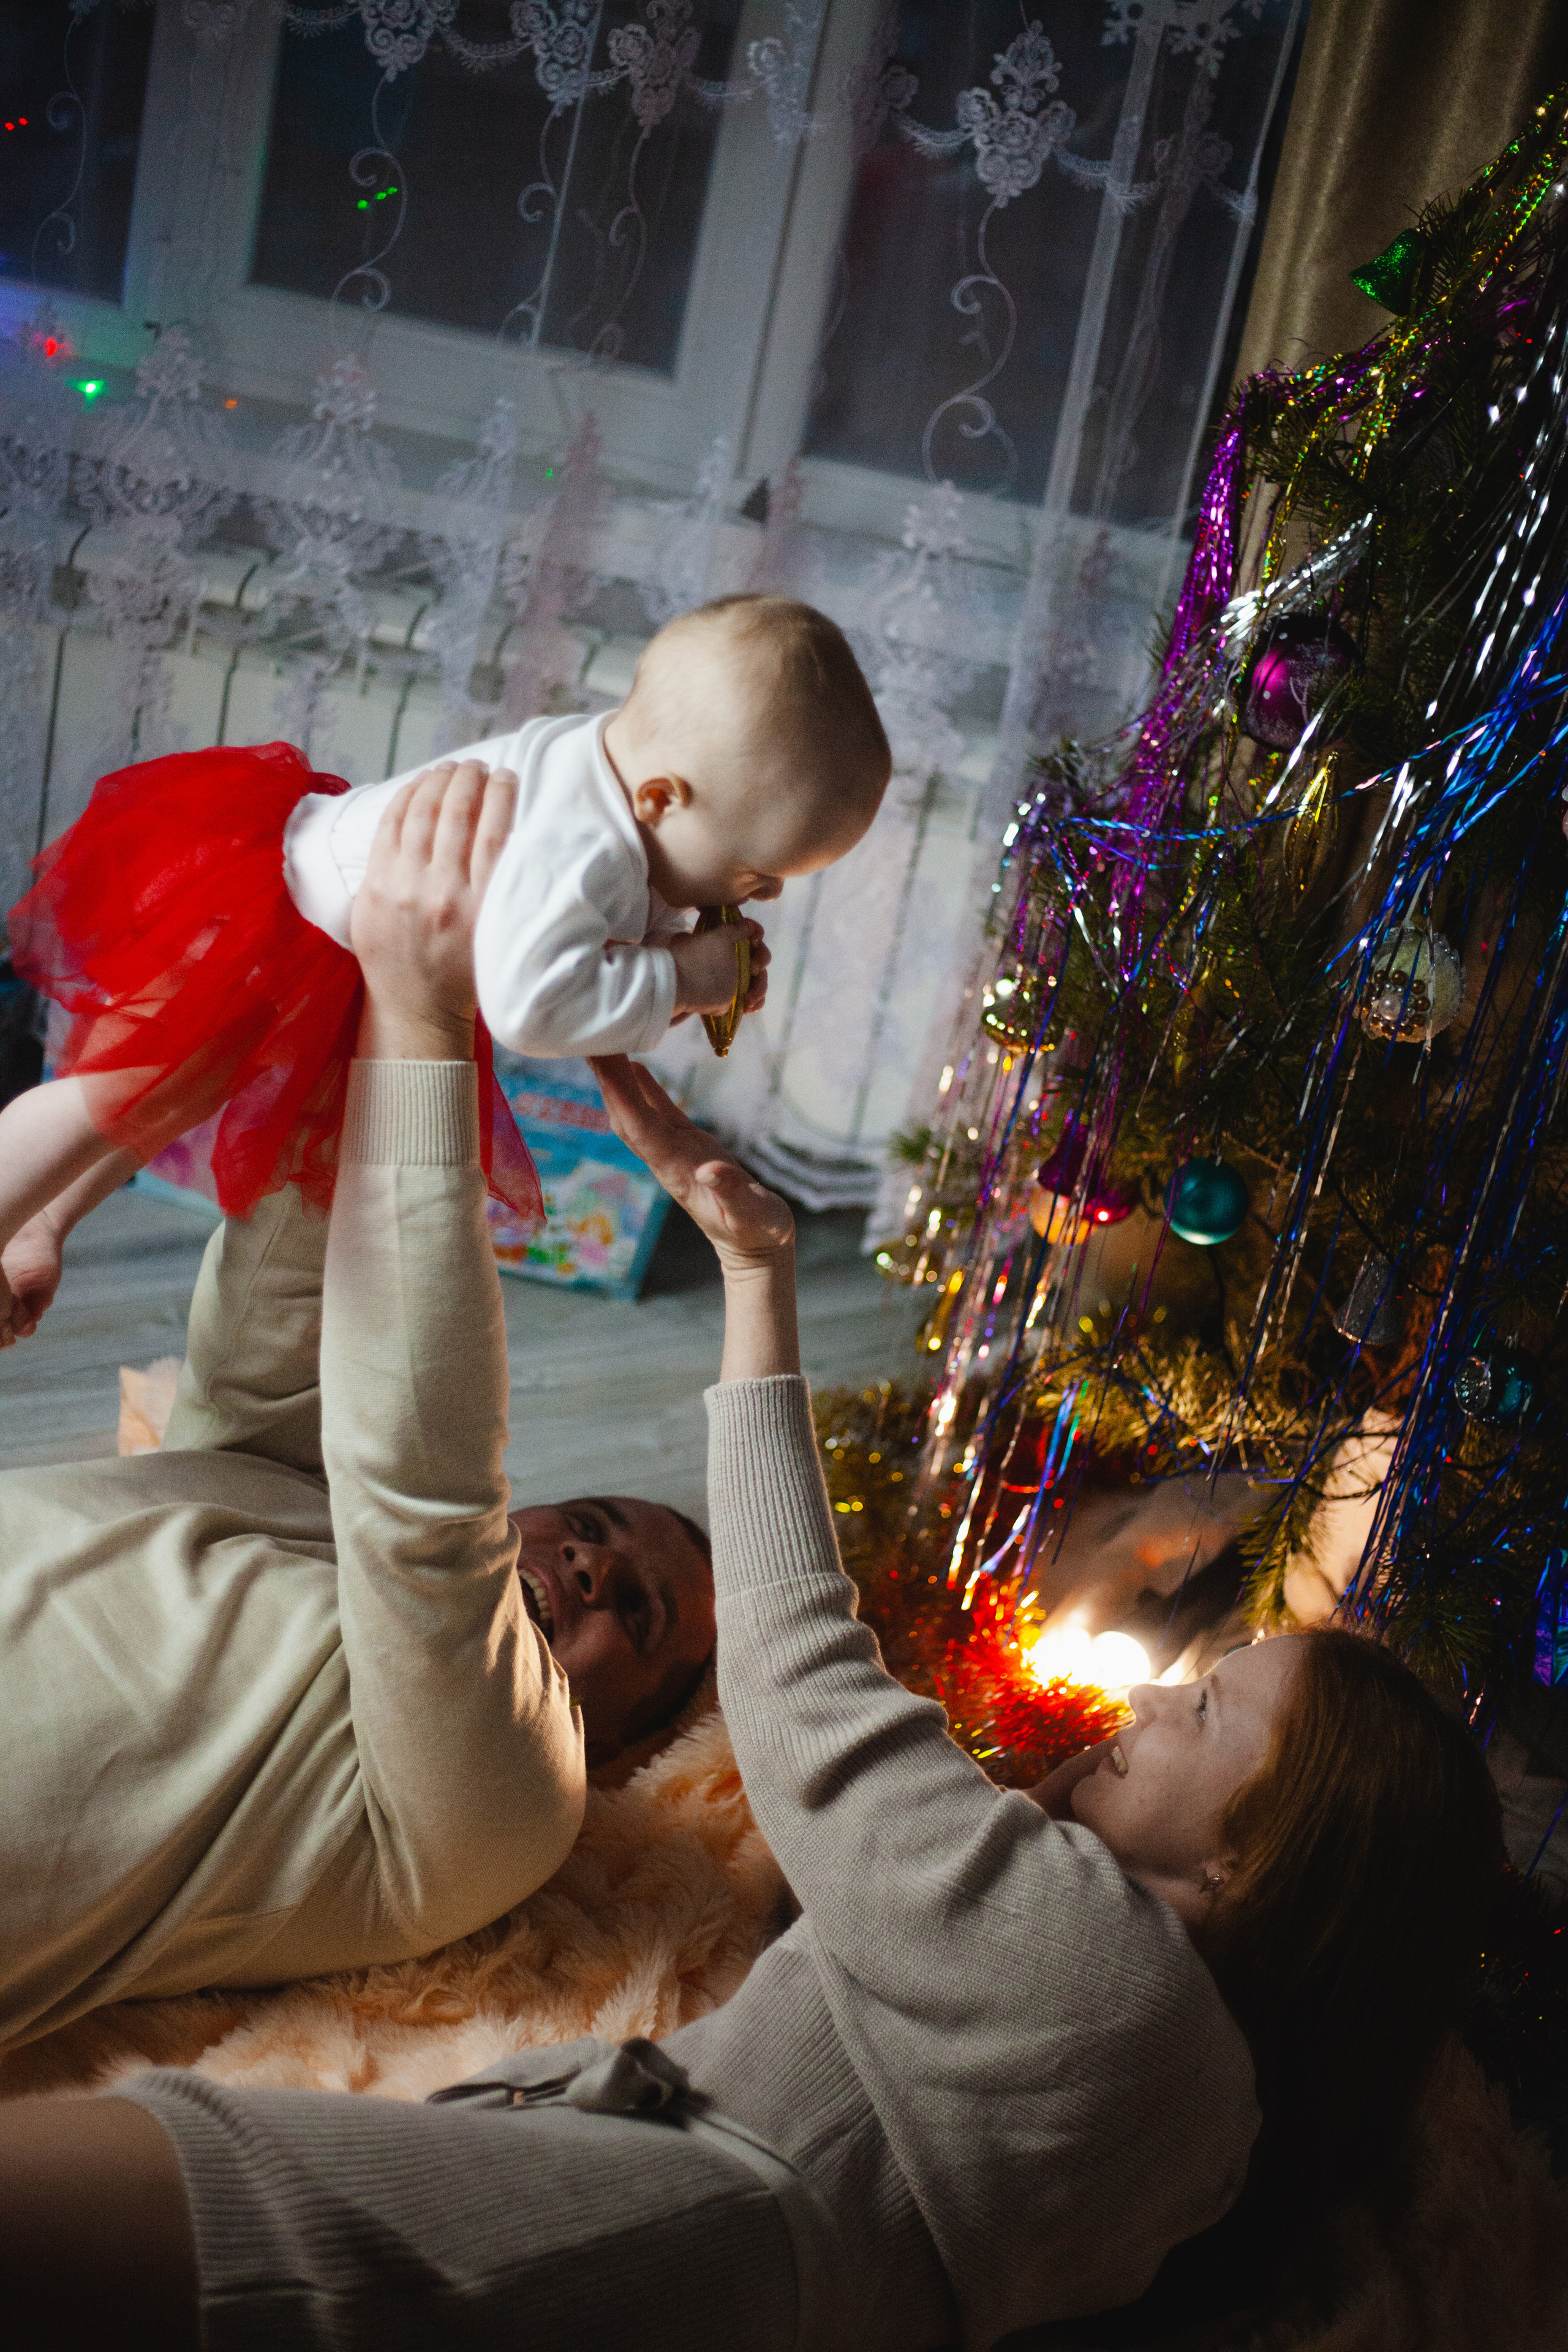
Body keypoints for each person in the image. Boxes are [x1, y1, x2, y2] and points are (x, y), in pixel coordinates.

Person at [0, 894, 1504, 2351]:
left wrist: (751, 1270)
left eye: (1209, 1708)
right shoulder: (1162, 2098)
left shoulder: (1105, 1985)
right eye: (587, 1530)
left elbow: (769, 1676)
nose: (1150, 1701)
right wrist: (378, 990)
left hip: (641, 2219)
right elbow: (309, 1369)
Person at [0, 766, 717, 2056]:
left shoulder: (503, 1811)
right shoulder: (274, 1491)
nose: (591, 1567)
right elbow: (304, 1216)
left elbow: (425, 1495)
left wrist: (423, 1013)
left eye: (635, 1614)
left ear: (624, 1752)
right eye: (594, 1528)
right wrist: (377, 894)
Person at [0, 592, 891, 1340]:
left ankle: (42, 1215)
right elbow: (534, 1005)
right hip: (268, 910)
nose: (763, 894)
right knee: (119, 1088)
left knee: (178, 1092)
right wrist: (687, 979)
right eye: (755, 870)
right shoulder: (577, 841)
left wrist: (680, 966)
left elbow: (590, 947)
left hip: (320, 935)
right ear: (661, 798)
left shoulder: (627, 786)